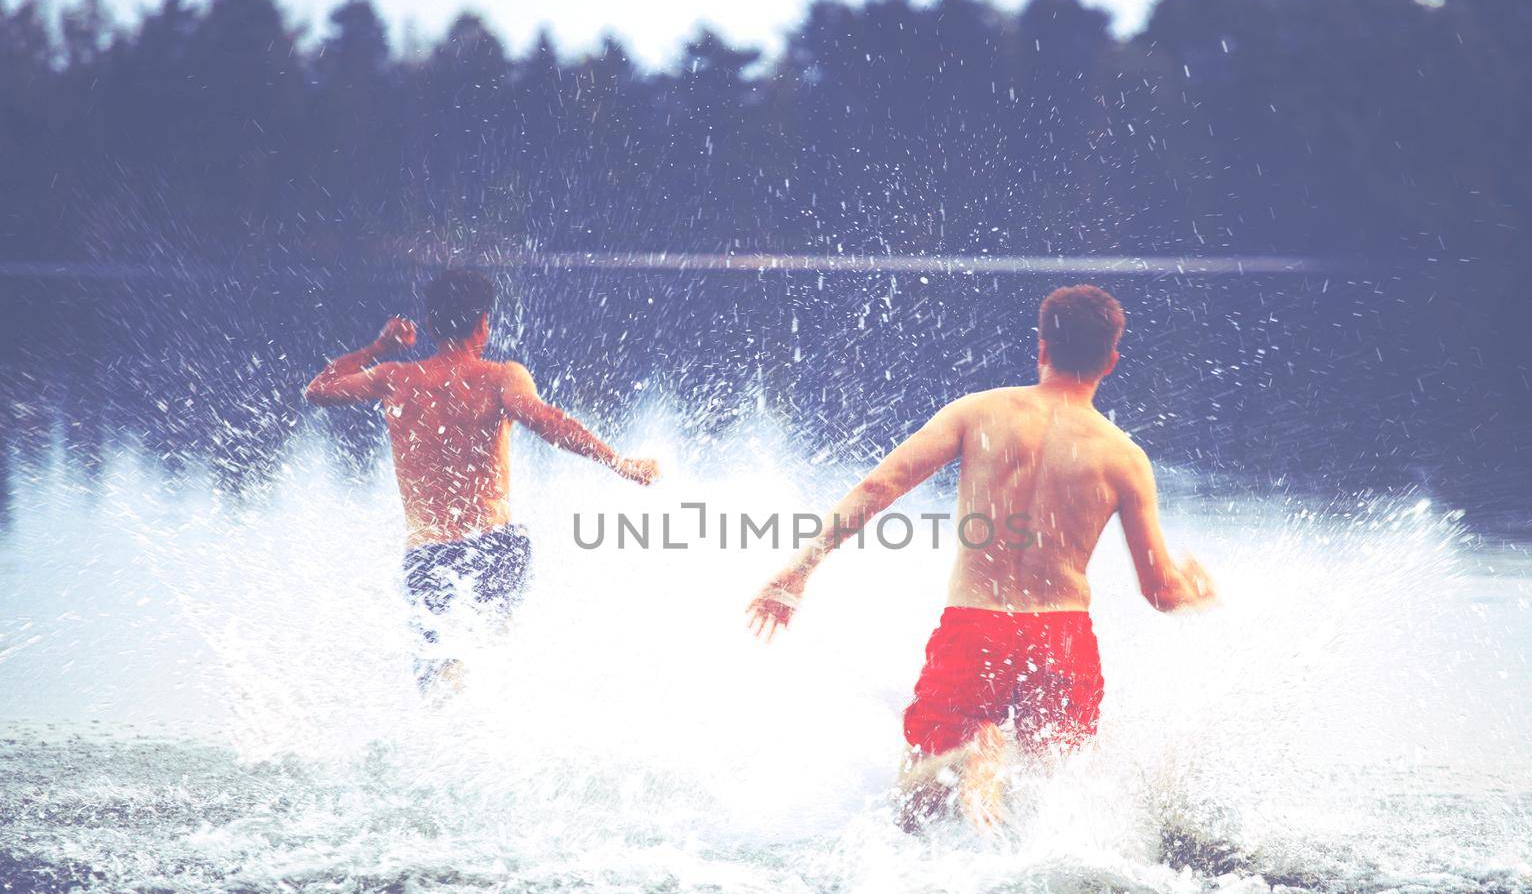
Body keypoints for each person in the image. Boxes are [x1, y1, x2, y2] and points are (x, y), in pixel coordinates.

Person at [747, 285, 1214, 829]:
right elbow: (1160, 593)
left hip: (977, 628)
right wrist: (1194, 588)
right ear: (1111, 361)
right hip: (1061, 638)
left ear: (1041, 349)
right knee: (1055, 799)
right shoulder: (1124, 458)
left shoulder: (980, 413)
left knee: (917, 805)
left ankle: (973, 759)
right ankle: (998, 804)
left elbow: (881, 485)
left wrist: (798, 572)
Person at [306, 268, 659, 688]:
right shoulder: (500, 377)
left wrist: (378, 346)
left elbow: (319, 390)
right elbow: (545, 421)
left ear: (431, 325)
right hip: (493, 547)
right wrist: (618, 462)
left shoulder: (395, 378)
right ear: (484, 325)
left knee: (439, 687)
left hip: (428, 558)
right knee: (493, 662)